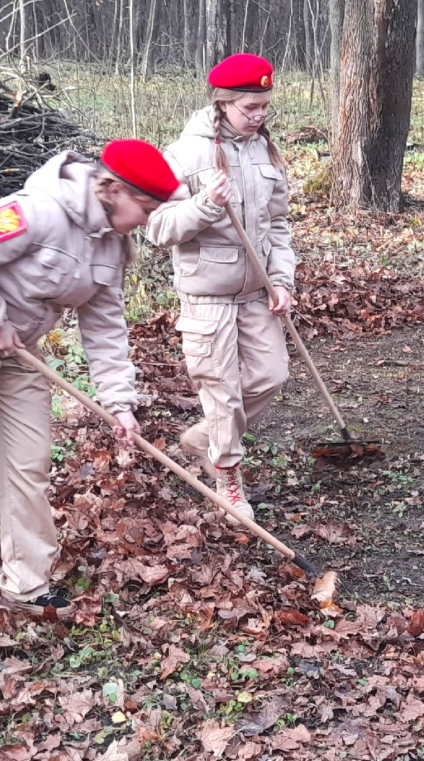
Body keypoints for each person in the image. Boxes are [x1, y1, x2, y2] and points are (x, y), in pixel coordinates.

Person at [0, 139, 179, 620]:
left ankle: (27, 583)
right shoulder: (38, 212)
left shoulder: (112, 245)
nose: (148, 219)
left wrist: (119, 402)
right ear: (111, 188)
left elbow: (105, 325)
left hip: (20, 353)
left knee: (30, 464)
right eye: (146, 207)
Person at [146, 53, 295, 524]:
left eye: (265, 107)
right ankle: (228, 479)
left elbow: (279, 223)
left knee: (272, 375)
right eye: (250, 108)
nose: (259, 116)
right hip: (206, 297)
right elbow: (157, 227)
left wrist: (283, 279)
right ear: (224, 102)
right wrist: (206, 207)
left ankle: (205, 437)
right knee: (222, 393)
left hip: (257, 291)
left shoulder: (263, 149)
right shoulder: (186, 153)